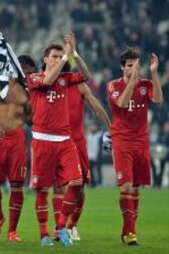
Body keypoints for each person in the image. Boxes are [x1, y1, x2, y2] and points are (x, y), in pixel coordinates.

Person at [26, 32, 90, 247]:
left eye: (59, 56)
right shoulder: (34, 78)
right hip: (42, 140)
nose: (57, 58)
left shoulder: (67, 79)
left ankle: (61, 227)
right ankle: (44, 235)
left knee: (76, 182)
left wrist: (75, 54)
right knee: (42, 189)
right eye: (54, 56)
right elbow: (48, 79)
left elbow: (86, 75)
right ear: (45, 59)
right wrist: (65, 59)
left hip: (64, 140)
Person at [106, 48, 163, 245]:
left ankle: (127, 231)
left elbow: (158, 99)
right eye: (130, 66)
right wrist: (132, 80)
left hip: (141, 141)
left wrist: (154, 73)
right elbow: (121, 103)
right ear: (123, 67)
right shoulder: (113, 85)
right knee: (126, 186)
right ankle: (131, 234)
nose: (134, 69)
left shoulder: (146, 85)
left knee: (136, 189)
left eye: (137, 65)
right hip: (122, 140)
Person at [52, 72, 111, 241]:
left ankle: (72, 225)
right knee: (58, 187)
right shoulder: (49, 84)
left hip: (77, 141)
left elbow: (97, 108)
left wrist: (109, 128)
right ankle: (60, 227)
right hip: (58, 140)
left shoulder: (78, 85)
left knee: (79, 187)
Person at [0, 65, 32, 242]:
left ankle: (12, 232)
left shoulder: (27, 90)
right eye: (27, 70)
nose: (29, 73)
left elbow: (30, 119)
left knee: (17, 184)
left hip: (17, 138)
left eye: (30, 71)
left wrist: (31, 112)